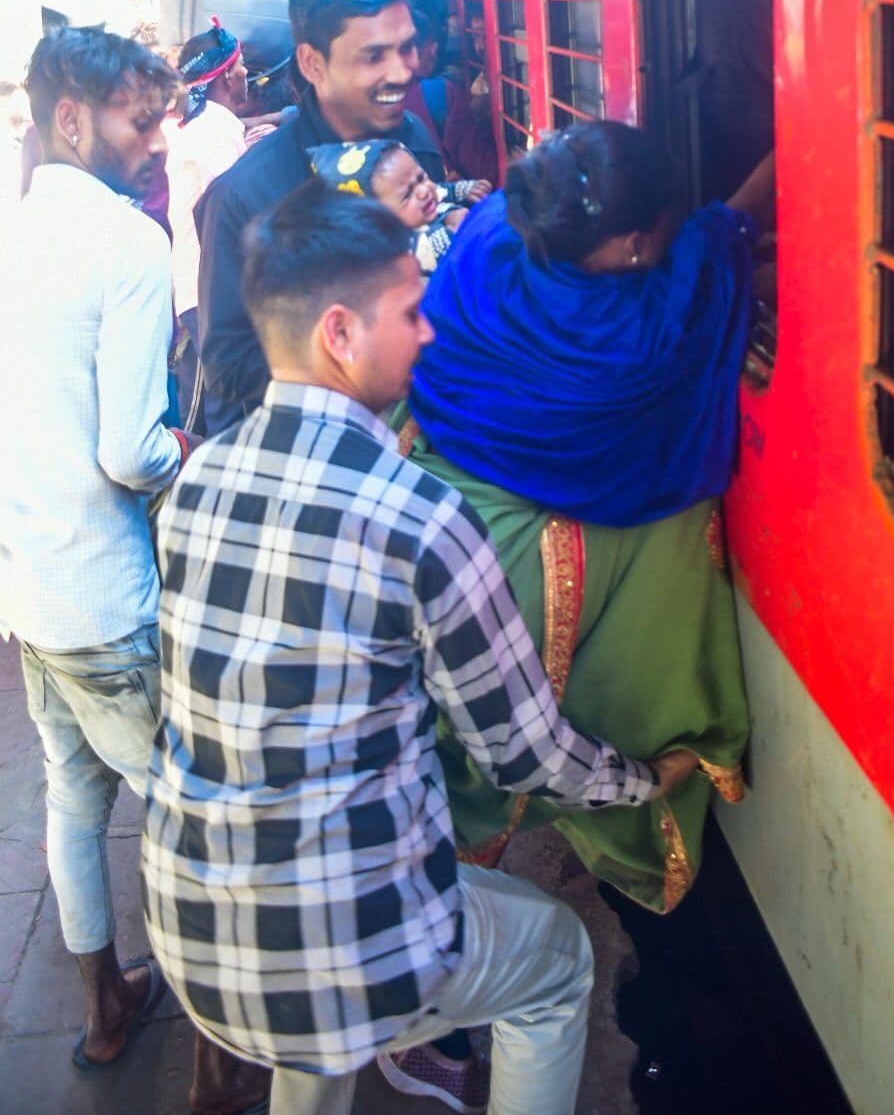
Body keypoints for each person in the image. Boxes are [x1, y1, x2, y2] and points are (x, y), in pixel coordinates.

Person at [141, 184, 698, 1115]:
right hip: (349, 949)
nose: (431, 333)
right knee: (555, 964)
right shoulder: (420, 517)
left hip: (190, 925)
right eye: (411, 312)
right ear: (340, 335)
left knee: (314, 1007)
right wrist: (647, 778)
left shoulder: (200, 478)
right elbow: (524, 754)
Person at [393, 121, 776, 913]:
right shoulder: (639, 331)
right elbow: (719, 237)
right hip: (543, 529)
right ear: (634, 244)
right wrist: (790, 152)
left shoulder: (496, 224)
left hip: (445, 481)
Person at [0, 26, 189, 1072]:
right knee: (188, 816)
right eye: (139, 119)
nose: (157, 140)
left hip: (30, 590)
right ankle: (228, 1044)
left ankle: (103, 1008)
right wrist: (190, 458)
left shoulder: (11, 233)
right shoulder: (126, 244)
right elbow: (130, 452)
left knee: (73, 806)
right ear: (71, 119)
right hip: (109, 599)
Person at [195, 0, 445, 435]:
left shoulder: (415, 146)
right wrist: (364, 345)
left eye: (407, 48)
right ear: (312, 63)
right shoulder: (245, 196)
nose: (402, 72)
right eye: (374, 56)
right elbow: (228, 368)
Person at [165, 17, 249, 347]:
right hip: (212, 295)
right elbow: (235, 210)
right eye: (242, 65)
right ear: (228, 75)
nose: (248, 74)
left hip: (201, 292)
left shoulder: (206, 126)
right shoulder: (214, 130)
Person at [308, 138, 492, 276]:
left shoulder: (425, 196)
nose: (423, 191)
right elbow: (431, 251)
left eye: (421, 177)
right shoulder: (394, 248)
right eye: (406, 195)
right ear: (378, 218)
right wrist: (453, 228)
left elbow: (440, 189)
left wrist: (462, 190)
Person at [404, 10, 499, 187]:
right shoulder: (442, 93)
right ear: (432, 49)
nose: (481, 45)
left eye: (483, 35)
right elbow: (485, 170)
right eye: (475, 37)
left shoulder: (363, 106)